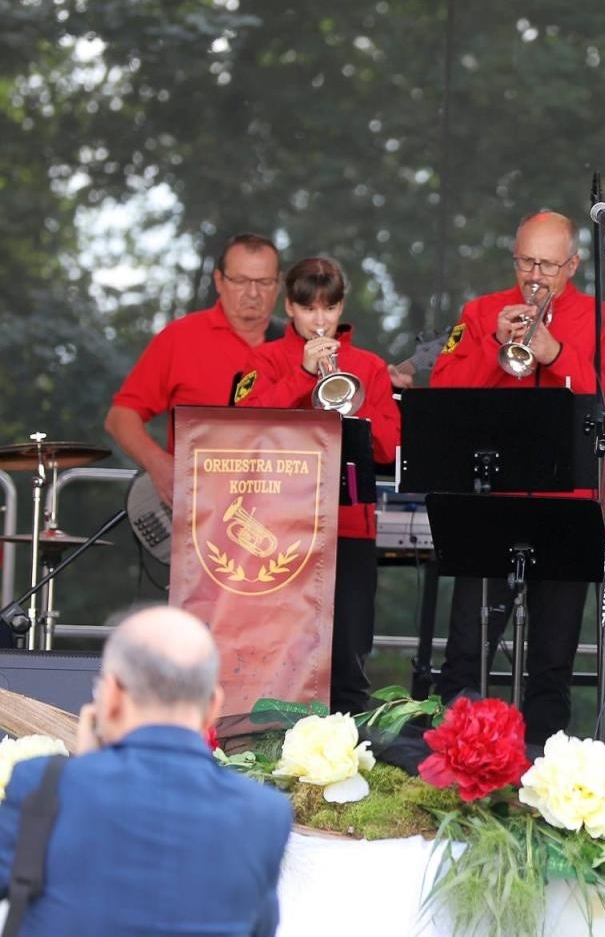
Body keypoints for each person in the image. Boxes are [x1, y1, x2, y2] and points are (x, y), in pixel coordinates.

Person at [430, 210, 605, 747]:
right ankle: (454, 759)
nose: (535, 276)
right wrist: (490, 348)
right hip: (490, 501)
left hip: (567, 506)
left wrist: (558, 357)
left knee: (551, 659)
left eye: (547, 264)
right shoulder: (479, 313)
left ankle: (542, 771)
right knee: (465, 654)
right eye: (526, 261)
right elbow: (444, 393)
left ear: (573, 264)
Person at [0, 606, 291, 935]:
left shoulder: (43, 784)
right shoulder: (264, 813)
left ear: (109, 694)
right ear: (213, 706)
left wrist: (79, 768)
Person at [234, 256, 402, 714]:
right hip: (279, 529)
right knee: (277, 660)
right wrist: (302, 377)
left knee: (348, 660)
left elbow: (389, 447)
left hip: (348, 528)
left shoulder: (369, 367)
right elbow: (243, 427)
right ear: (289, 307)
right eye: (309, 309)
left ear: (341, 307)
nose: (320, 320)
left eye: (329, 309)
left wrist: (354, 418)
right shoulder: (263, 360)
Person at [105, 234, 283, 508]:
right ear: (219, 281)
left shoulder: (298, 346)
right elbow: (120, 417)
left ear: (278, 284)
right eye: (240, 281)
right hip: (196, 510)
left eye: (264, 282)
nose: (252, 293)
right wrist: (159, 464)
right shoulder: (181, 336)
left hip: (280, 511)